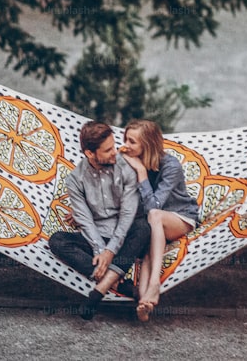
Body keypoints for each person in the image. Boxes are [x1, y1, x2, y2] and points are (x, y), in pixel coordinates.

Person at [48, 120, 150, 320]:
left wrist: (110, 251)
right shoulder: (75, 180)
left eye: (113, 146)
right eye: (107, 150)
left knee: (144, 227)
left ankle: (100, 289)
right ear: (90, 154)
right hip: (98, 237)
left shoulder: (126, 167)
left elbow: (127, 215)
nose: (115, 152)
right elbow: (85, 221)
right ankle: (118, 283)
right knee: (57, 240)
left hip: (126, 236)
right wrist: (99, 250)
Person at [119, 118, 200, 322]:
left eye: (132, 142)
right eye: (126, 140)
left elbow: (154, 206)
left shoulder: (170, 166)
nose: (126, 146)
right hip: (153, 224)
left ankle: (155, 283)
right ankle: (144, 303)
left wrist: (141, 172)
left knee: (154, 216)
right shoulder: (129, 160)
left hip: (181, 217)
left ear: (147, 144)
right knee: (148, 251)